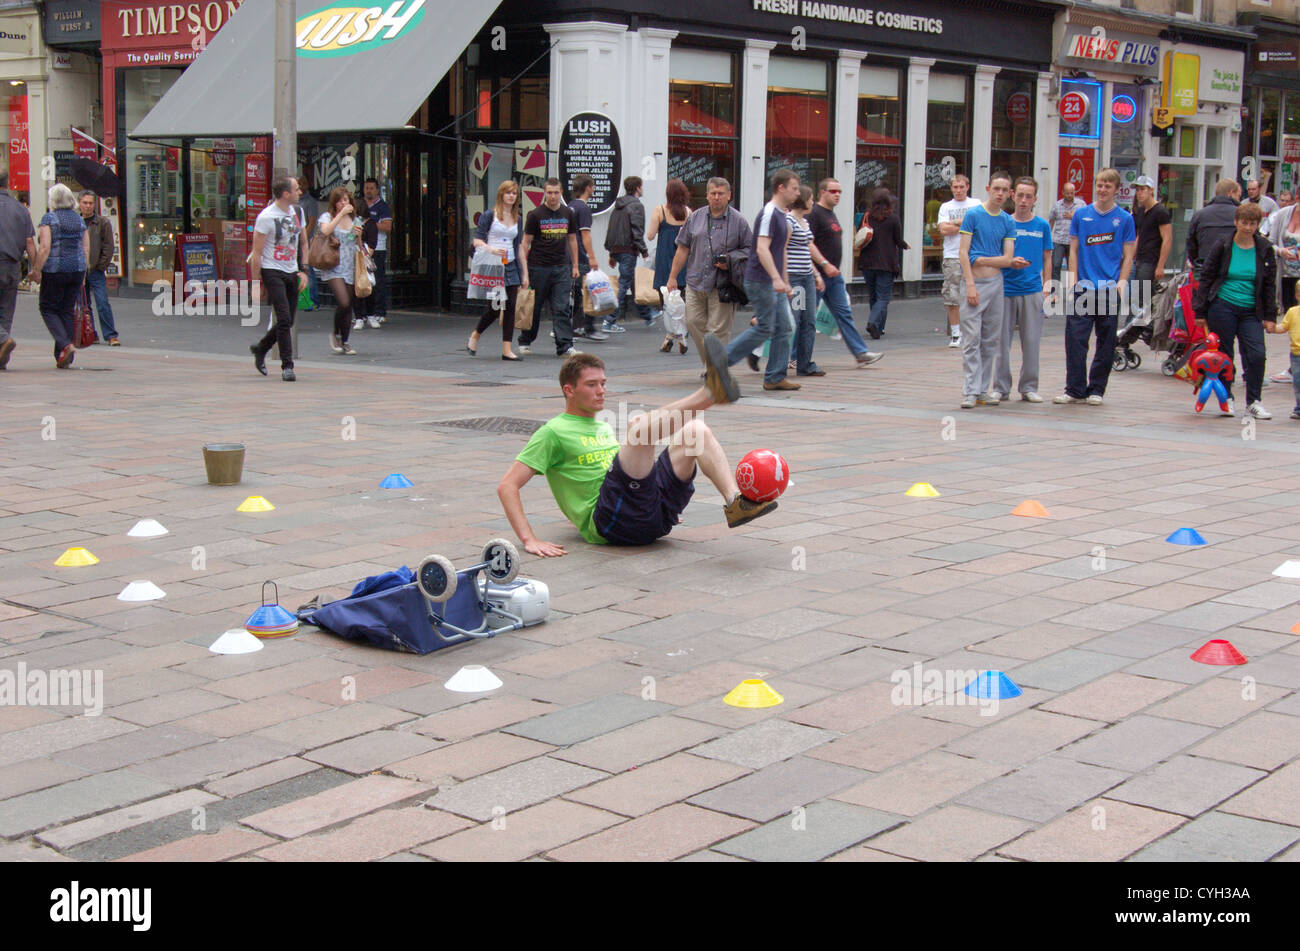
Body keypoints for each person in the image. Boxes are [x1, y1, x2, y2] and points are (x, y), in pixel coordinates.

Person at [496, 344, 774, 555]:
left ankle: (735, 502)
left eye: (603, 383)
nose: (601, 390)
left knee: (695, 432)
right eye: (591, 385)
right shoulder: (553, 432)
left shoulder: (601, 427)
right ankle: (709, 393)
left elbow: (615, 474)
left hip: (650, 514)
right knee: (638, 429)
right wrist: (529, 540)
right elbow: (507, 486)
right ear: (568, 390)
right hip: (613, 524)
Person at [1055, 168, 1136, 407]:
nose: (1102, 190)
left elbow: (1128, 255)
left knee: (1106, 341)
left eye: (1107, 186)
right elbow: (1074, 249)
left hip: (1109, 289)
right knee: (1075, 339)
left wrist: (1121, 284)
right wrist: (1073, 280)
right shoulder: (1082, 215)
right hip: (1083, 287)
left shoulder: (1124, 219)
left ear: (1115, 189)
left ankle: (1097, 389)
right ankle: (1075, 389)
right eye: (1099, 185)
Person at [1192, 201, 1276, 419]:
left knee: (1256, 354)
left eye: (1252, 224)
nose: (1248, 228)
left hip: (1250, 309)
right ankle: (1226, 397)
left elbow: (1269, 285)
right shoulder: (1223, 245)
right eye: (1244, 223)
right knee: (1223, 354)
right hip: (1223, 306)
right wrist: (1200, 312)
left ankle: (1254, 401)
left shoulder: (1264, 249)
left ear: (1258, 225)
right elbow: (1208, 276)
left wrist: (1270, 316)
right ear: (1236, 222)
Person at [724, 169, 800, 391]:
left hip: (772, 282)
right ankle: (721, 360)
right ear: (781, 188)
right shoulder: (769, 213)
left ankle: (775, 376)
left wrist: (784, 281)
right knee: (766, 327)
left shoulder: (782, 216)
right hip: (760, 280)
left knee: (785, 327)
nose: (797, 192)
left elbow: (781, 251)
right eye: (794, 188)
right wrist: (776, 278)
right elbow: (762, 248)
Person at [665, 177, 752, 371]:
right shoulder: (695, 217)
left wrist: (729, 260)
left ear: (729, 196)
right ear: (707, 195)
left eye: (721, 194)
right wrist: (672, 277)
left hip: (722, 284)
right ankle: (716, 364)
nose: (717, 197)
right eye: (713, 193)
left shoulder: (739, 221)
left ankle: (714, 370)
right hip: (695, 281)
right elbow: (682, 248)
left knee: (718, 330)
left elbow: (749, 250)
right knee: (693, 322)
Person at [957, 171, 1023, 408]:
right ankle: (970, 389)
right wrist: (971, 284)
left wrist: (982, 260)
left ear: (1010, 193)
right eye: (996, 189)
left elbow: (1008, 258)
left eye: (1005, 190)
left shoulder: (1007, 221)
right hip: (974, 283)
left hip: (996, 284)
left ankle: (982, 389)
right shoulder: (973, 215)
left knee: (990, 339)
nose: (1000, 194)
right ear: (988, 188)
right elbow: (964, 253)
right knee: (971, 338)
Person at [807, 178, 882, 368]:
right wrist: (822, 267)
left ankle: (860, 352)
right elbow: (807, 244)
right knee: (803, 319)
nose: (837, 195)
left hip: (834, 276)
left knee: (844, 314)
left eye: (839, 191)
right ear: (822, 192)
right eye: (833, 191)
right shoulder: (814, 214)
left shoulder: (830, 214)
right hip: (817, 275)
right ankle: (767, 352)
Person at [991, 177, 1053, 404]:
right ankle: (1000, 387)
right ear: (1012, 196)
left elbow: (1048, 258)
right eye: (1020, 195)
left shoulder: (1042, 225)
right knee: (1000, 342)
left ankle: (1028, 386)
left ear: (1035, 199)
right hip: (1005, 289)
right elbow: (995, 256)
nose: (1023, 200)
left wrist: (1047, 288)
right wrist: (1008, 262)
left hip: (1032, 289)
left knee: (1032, 341)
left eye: (1029, 196)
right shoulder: (1003, 223)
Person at [249, 176, 309, 381]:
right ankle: (287, 366)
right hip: (271, 269)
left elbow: (302, 243)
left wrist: (304, 270)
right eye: (296, 189)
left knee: (289, 319)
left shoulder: (296, 212)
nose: (300, 192)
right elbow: (256, 252)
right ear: (286, 194)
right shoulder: (266, 217)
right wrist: (256, 282)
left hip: (291, 270)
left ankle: (261, 348)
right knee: (283, 317)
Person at [517, 177, 581, 357]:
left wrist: (575, 265)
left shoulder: (568, 213)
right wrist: (525, 271)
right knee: (534, 306)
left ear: (561, 193)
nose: (553, 197)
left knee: (562, 307)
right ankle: (526, 340)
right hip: (539, 267)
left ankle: (565, 345)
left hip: (561, 267)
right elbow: (525, 242)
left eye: (556, 193)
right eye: (550, 193)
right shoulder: (535, 215)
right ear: (545, 193)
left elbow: (572, 240)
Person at [31, 183, 88, 369]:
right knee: (66, 309)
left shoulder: (50, 218)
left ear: (53, 200)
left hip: (55, 269)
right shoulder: (79, 220)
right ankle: (63, 357)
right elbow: (86, 246)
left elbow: (45, 247)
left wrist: (37, 269)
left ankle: (65, 345)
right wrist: (84, 269)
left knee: (47, 307)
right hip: (77, 269)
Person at [468, 179, 523, 361]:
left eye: (514, 193)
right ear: (501, 195)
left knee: (510, 307)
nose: (511, 196)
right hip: (493, 265)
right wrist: (491, 249)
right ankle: (476, 334)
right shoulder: (489, 215)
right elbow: (477, 240)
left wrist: (525, 272)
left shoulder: (518, 219)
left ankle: (507, 349)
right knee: (495, 307)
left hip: (511, 265)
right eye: (508, 192)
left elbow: (519, 246)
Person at [780, 185, 827, 377]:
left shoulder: (804, 222)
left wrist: (816, 273)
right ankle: (780, 363)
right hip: (794, 277)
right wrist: (785, 280)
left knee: (809, 320)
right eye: (811, 199)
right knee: (793, 321)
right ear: (804, 200)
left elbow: (807, 251)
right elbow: (781, 249)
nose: (813, 202)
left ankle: (805, 363)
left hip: (806, 276)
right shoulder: (789, 221)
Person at [317, 186, 364, 357]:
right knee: (343, 301)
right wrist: (340, 215)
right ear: (335, 203)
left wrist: (359, 235)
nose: (344, 203)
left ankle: (345, 340)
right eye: (340, 200)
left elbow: (358, 244)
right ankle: (335, 334)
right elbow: (325, 231)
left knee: (347, 305)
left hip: (349, 264)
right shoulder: (327, 217)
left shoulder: (356, 220)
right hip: (333, 264)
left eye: (347, 200)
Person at [937, 174, 981, 348]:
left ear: (967, 187)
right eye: (955, 187)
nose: (958, 190)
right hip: (952, 255)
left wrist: (955, 223)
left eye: (961, 187)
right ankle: (956, 334)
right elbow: (943, 229)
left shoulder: (976, 204)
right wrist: (965, 224)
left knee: (975, 293)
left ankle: (974, 331)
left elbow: (979, 227)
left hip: (974, 255)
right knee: (952, 295)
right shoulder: (945, 207)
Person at [859, 187, 908, 340]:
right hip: (886, 263)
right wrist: (905, 245)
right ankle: (873, 322)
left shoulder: (866, 217)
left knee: (873, 296)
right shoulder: (893, 219)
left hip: (868, 262)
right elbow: (898, 240)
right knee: (883, 297)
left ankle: (879, 328)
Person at [603, 176, 651, 333]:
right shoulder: (636, 206)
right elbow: (637, 230)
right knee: (624, 284)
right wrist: (644, 251)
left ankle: (647, 314)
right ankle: (609, 321)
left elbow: (612, 229)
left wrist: (611, 253)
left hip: (617, 248)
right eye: (641, 186)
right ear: (637, 188)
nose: (643, 189)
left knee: (631, 280)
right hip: (628, 249)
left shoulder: (618, 206)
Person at [648, 178, 690, 354]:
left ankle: (671, 336)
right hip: (682, 262)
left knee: (667, 302)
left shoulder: (660, 211)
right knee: (680, 302)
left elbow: (650, 235)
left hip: (665, 261)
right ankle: (677, 336)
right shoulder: (689, 212)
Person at [0, 171, 35, 369]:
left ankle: (4, 339)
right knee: (6, 311)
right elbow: (30, 242)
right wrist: (36, 269)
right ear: (8, 184)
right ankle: (1, 357)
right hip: (12, 265)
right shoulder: (21, 210)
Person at [567, 173, 608, 342]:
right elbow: (585, 235)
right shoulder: (583, 208)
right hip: (581, 256)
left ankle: (577, 326)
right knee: (590, 290)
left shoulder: (570, 206)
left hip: (568, 255)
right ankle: (587, 327)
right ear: (587, 188)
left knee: (577, 293)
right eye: (592, 186)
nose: (594, 189)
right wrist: (592, 257)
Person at [78, 190, 118, 346]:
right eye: (85, 203)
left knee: (102, 302)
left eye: (91, 203)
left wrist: (101, 265)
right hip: (80, 269)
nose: (88, 206)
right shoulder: (76, 221)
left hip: (95, 269)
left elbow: (108, 246)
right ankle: (91, 333)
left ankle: (110, 335)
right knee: (84, 304)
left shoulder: (102, 222)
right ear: (79, 203)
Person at [1130, 175, 1171, 315]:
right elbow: (1139, 236)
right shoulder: (1141, 211)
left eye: (1142, 189)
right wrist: (1131, 257)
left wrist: (1160, 265)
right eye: (1137, 190)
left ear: (1151, 190)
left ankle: (1131, 331)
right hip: (1140, 258)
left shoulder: (1160, 212)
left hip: (1151, 259)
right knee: (1142, 296)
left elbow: (1167, 239)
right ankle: (1150, 327)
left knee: (1140, 297)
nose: (1139, 193)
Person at [1186, 179, 1241, 278]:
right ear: (1231, 193)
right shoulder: (1240, 215)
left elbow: (1191, 244)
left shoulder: (1199, 215)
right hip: (1234, 271)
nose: (1239, 200)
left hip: (1205, 269)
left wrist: (1197, 263)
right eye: (1238, 196)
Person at [356, 177, 391, 328]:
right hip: (359, 250)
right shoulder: (359, 205)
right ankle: (361, 314)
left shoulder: (382, 206)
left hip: (378, 248)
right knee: (360, 280)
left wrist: (369, 225)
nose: (368, 190)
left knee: (377, 281)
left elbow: (387, 226)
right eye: (366, 188)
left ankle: (379, 312)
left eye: (371, 188)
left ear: (377, 190)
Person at [1265, 280, 1300, 419]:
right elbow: (1283, 327)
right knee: (1298, 381)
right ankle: (1299, 408)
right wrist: (1273, 329)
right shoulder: (1292, 312)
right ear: (1297, 296)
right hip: (1296, 355)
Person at [1048, 181, 1085, 283]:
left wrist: (1074, 217)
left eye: (1072, 193)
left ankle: (1073, 289)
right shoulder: (1057, 205)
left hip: (1073, 241)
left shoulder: (1081, 205)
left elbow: (1086, 221)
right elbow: (1051, 221)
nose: (1070, 195)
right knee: (1055, 265)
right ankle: (1055, 291)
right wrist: (1048, 238)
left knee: (1072, 267)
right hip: (1058, 240)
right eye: (1068, 193)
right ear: (1063, 192)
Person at [297, 168, 321, 312]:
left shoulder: (310, 202)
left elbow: (311, 223)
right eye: (299, 183)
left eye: (304, 183)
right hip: (295, 241)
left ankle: (313, 300)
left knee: (308, 270)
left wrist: (302, 240)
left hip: (305, 241)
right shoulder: (293, 201)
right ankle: (303, 299)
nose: (302, 186)